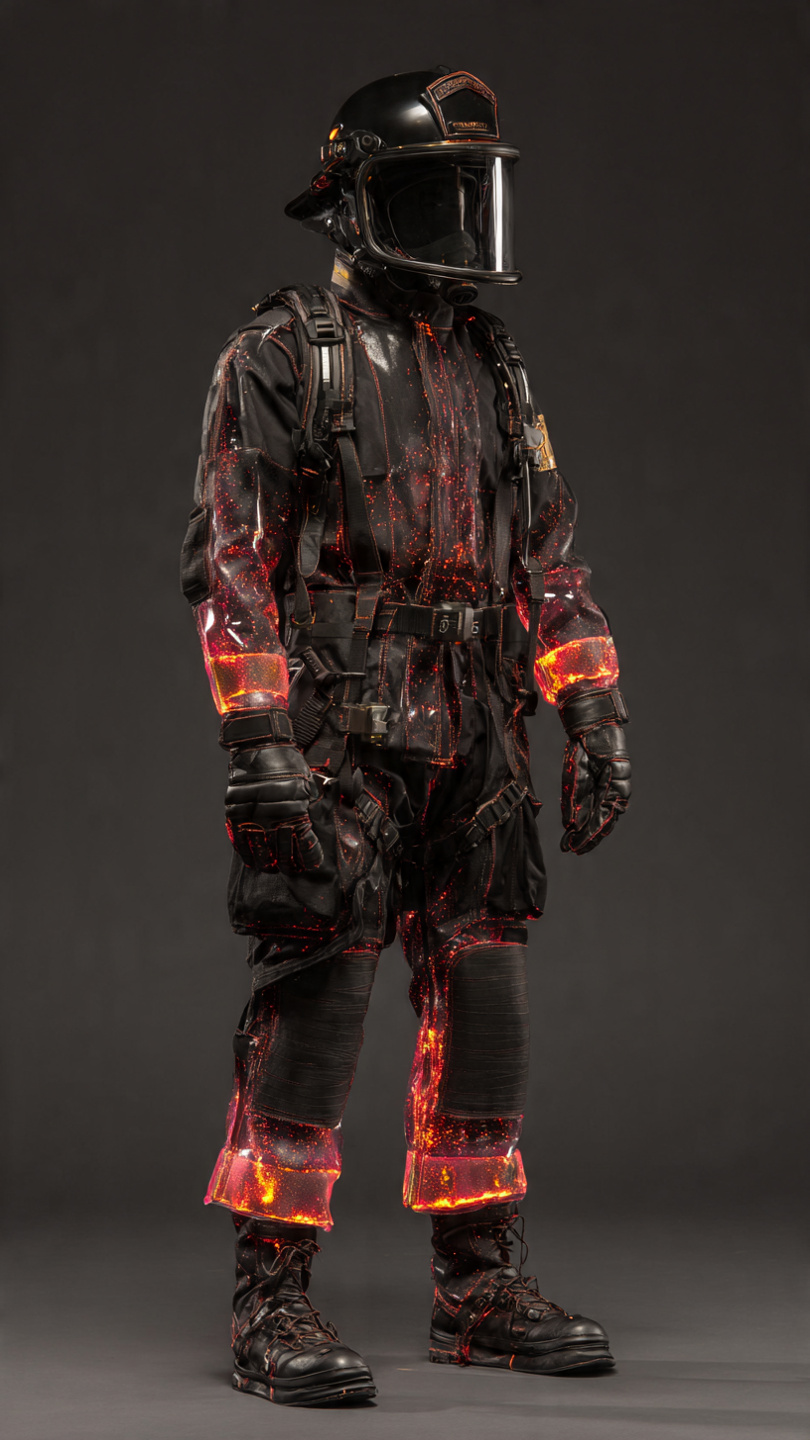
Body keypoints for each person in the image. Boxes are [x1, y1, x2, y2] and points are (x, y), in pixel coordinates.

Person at [181, 67, 631, 1408]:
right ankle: (270, 1296)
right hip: (340, 729)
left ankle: (476, 1285)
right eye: (430, 193)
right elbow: (231, 563)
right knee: (317, 998)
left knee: (484, 1002)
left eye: (467, 192)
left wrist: (591, 703)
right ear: (353, 205)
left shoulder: (491, 365)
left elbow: (545, 558)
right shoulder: (283, 356)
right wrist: (258, 738)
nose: (458, 222)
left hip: (480, 728)